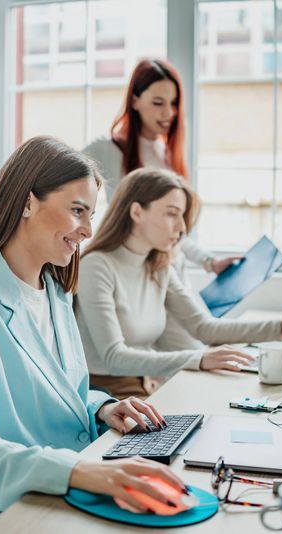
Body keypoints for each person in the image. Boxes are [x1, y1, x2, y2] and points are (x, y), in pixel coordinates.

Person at [0, 136, 187, 532]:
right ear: (28, 202)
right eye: (77, 211)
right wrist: (81, 471)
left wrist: (102, 408)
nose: (88, 230)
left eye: (90, 215)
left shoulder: (53, 291)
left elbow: (48, 391)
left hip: (37, 466)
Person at [75, 168, 282, 399]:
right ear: (136, 212)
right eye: (171, 213)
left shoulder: (158, 265)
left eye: (182, 216)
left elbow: (204, 327)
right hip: (108, 395)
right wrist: (198, 359)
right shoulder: (96, 266)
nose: (182, 228)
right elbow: (114, 357)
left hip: (148, 383)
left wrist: (281, 327)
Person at [82, 58, 241, 352]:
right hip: (136, 276)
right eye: (158, 102)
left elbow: (173, 227)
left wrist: (209, 261)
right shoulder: (107, 148)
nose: (168, 113)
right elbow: (63, 179)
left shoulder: (169, 154)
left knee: (195, 354)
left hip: (169, 272)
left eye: (173, 103)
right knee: (183, 359)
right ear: (135, 100)